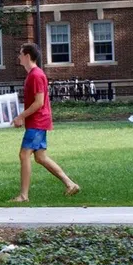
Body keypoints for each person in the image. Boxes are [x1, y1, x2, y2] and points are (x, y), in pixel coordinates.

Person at [10, 43, 80, 202]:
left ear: (27, 56)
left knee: (24, 154)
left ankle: (23, 195)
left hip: (38, 121)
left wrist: (21, 116)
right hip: (37, 121)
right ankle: (70, 184)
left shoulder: (36, 75)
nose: (18, 57)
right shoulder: (33, 75)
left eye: (20, 54)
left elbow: (39, 102)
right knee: (40, 157)